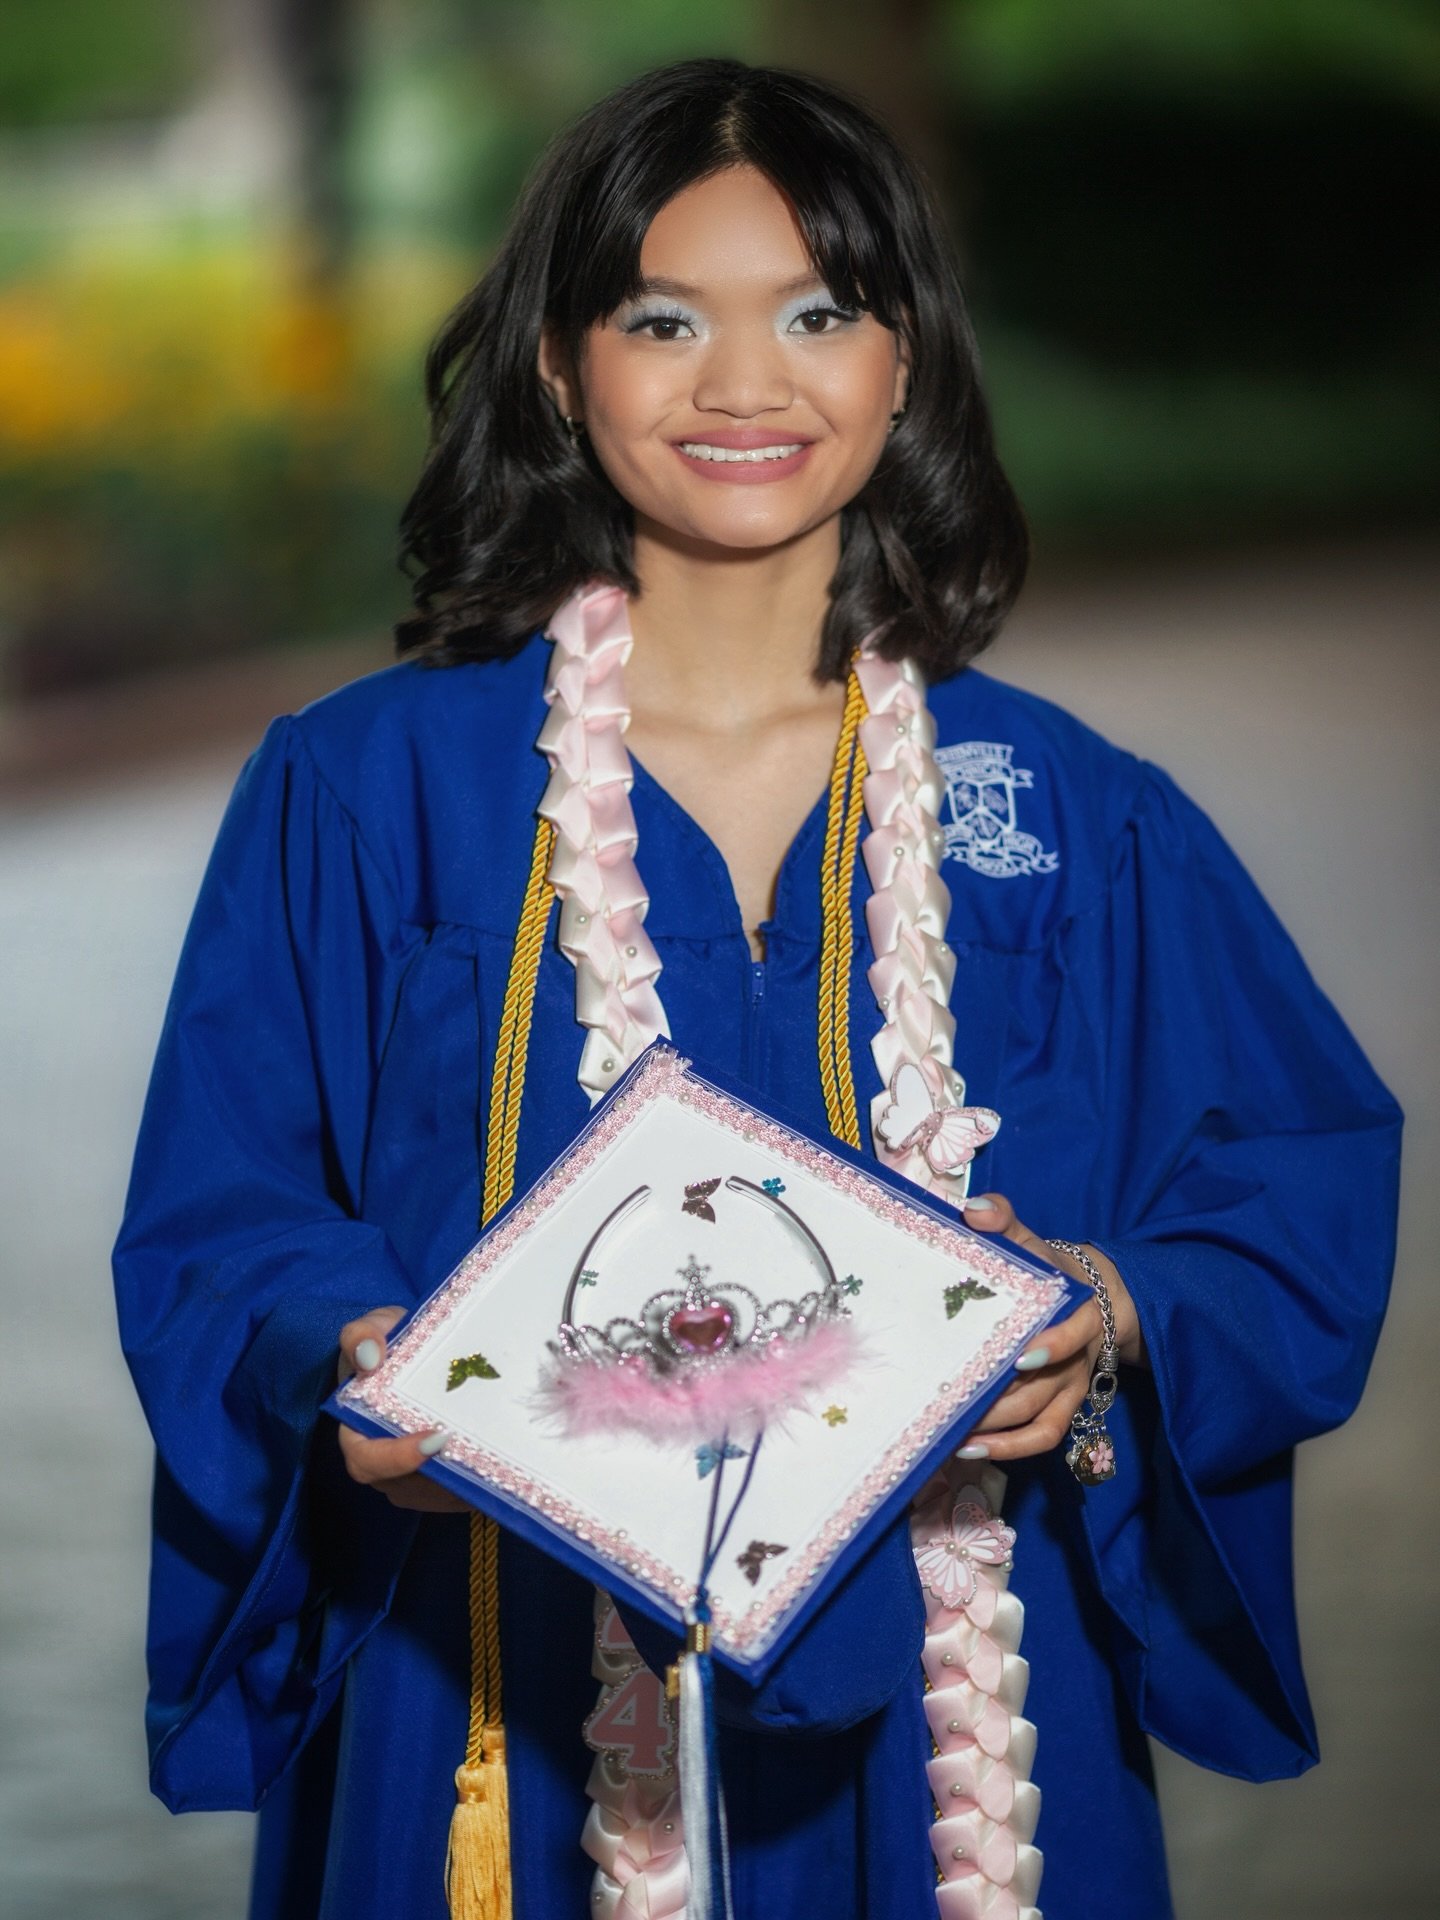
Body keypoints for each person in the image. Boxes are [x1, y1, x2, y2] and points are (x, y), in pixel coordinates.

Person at [112, 57, 1400, 1920]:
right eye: (661, 318)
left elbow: (1288, 1178)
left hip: (963, 1707)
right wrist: (354, 1356)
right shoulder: (368, 790)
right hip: (492, 1679)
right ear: (560, 368)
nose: (742, 383)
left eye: (818, 313)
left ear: (905, 362)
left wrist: (1109, 1318)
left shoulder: (1063, 812)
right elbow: (223, 1212)